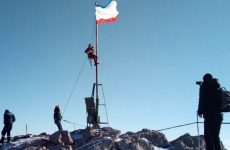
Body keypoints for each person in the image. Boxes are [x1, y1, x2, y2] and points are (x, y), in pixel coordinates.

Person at [197, 73, 223, 150]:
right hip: (219, 115)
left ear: (205, 79)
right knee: (215, 136)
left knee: (208, 136)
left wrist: (200, 111)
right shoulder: (217, 86)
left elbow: (202, 99)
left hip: (209, 115)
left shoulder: (204, 86)